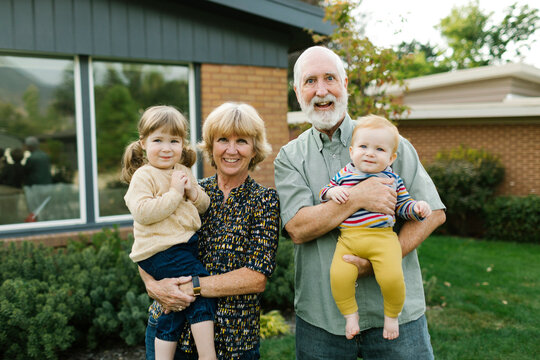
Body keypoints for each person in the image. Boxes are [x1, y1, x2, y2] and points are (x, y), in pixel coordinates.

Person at [274, 46, 446, 359]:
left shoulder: (390, 142)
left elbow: (432, 212)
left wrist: (379, 262)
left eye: (330, 78)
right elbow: (297, 227)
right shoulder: (290, 157)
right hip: (322, 318)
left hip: (395, 317)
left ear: (346, 83)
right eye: (310, 81)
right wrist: (357, 197)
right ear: (297, 91)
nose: (322, 90)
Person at [139, 102, 280, 359]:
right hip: (170, 334)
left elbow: (255, 278)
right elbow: (147, 242)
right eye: (223, 139)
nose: (231, 150)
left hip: (233, 340)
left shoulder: (264, 200)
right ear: (210, 145)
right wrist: (153, 286)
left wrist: (191, 287)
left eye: (242, 141)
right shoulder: (187, 189)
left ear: (255, 148)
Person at [320, 114, 432, 341]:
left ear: (391, 158)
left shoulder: (392, 179)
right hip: (349, 240)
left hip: (383, 239)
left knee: (392, 278)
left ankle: (392, 316)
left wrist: (418, 208)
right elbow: (324, 191)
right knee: (338, 276)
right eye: (363, 146)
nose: (370, 153)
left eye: (379, 150)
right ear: (352, 151)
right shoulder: (344, 174)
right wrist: (332, 192)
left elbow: (403, 206)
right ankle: (350, 315)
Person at [122, 105, 216, 360]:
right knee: (199, 291)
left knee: (175, 305)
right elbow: (142, 212)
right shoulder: (144, 176)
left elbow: (204, 205)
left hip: (179, 248)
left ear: (183, 143)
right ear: (143, 143)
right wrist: (174, 193)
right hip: (161, 250)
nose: (166, 148)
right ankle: (209, 356)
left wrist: (192, 193)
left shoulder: (183, 172)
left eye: (173, 141)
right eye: (158, 140)